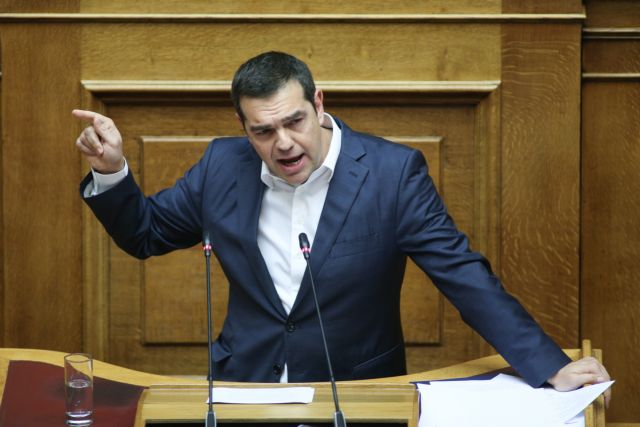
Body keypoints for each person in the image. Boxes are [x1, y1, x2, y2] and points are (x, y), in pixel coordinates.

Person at [74, 51, 610, 404]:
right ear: (243, 127)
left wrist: (548, 366)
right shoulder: (222, 166)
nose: (283, 143)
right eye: (263, 131)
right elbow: (145, 234)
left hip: (358, 395)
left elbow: (463, 275)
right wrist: (111, 171)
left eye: (294, 121)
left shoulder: (392, 174)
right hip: (246, 391)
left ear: (318, 103)